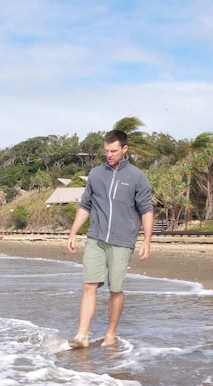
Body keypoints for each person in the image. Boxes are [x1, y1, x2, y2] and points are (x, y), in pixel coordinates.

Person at [66, 130, 154, 348]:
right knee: (89, 285)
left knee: (115, 289)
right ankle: (82, 335)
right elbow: (85, 205)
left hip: (122, 241)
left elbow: (146, 210)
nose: (109, 155)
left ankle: (110, 334)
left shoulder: (137, 177)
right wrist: (73, 232)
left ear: (125, 149)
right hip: (96, 237)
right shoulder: (96, 174)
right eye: (106, 151)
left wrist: (147, 239)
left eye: (114, 151)